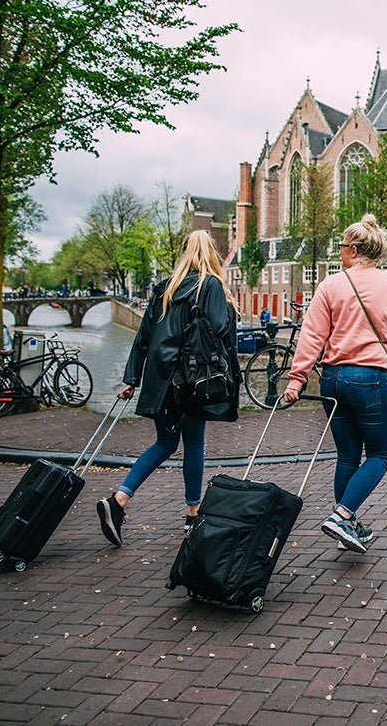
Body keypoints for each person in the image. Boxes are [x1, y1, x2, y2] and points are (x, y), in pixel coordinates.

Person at [283, 214, 387, 554]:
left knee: (347, 455)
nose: (339, 254)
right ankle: (343, 515)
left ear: (352, 250)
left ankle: (347, 525)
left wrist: (296, 378)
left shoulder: (330, 285)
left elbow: (312, 336)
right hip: (371, 378)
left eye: (341, 248)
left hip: (332, 379)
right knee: (380, 453)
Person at [97, 230, 238, 547]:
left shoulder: (165, 288)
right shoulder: (210, 285)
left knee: (165, 442)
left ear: (185, 253)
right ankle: (192, 514)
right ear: (211, 253)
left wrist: (132, 379)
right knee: (194, 443)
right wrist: (229, 307)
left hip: (161, 381)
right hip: (191, 380)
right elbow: (220, 330)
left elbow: (143, 336)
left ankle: (119, 500)